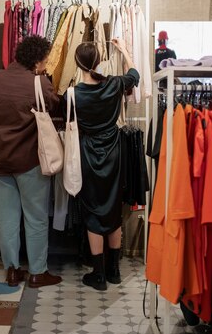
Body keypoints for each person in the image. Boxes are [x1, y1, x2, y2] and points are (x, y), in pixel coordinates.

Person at [0, 35, 63, 289]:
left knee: (6, 219)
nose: (46, 65)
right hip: (28, 160)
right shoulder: (40, 83)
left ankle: (12, 271)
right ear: (38, 60)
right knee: (35, 217)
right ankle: (38, 273)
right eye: (45, 60)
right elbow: (54, 106)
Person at [70, 38, 139, 291]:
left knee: (93, 211)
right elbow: (135, 74)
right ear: (99, 61)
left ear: (78, 64)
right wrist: (124, 50)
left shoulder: (75, 94)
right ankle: (114, 271)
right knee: (113, 210)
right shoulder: (114, 84)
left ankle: (98, 274)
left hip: (89, 153)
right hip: (113, 151)